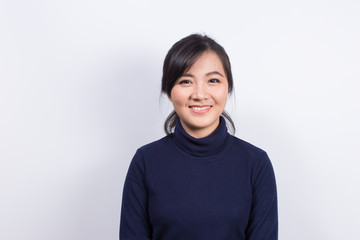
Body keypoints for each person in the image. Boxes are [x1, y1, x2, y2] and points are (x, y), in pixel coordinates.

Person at [120, 34, 278, 240]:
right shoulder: (145, 162)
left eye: (213, 80)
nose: (200, 94)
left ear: (227, 88)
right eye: (186, 81)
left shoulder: (256, 163)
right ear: (169, 91)